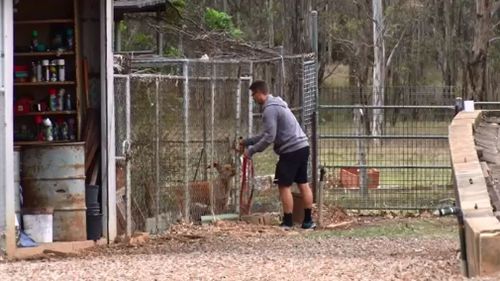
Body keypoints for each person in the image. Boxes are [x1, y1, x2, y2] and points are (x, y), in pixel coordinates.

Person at [240, 80, 316, 230]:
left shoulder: (269, 110)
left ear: (260, 93)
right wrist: (248, 142)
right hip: (302, 146)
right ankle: (308, 221)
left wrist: (251, 151)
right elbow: (267, 134)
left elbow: (269, 137)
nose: (253, 98)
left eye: (253, 94)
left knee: (283, 185)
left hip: (291, 150)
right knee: (303, 183)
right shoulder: (278, 104)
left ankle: (287, 222)